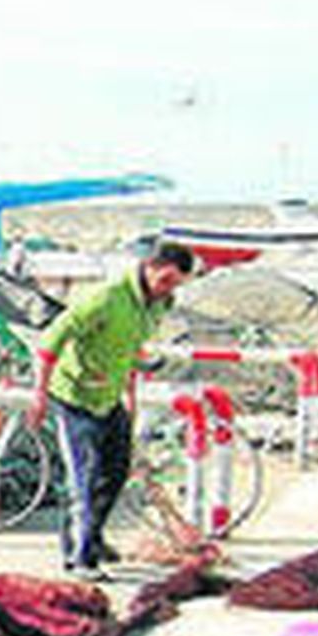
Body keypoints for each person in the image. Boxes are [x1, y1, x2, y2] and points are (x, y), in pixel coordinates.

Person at [27, 240, 198, 579]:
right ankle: (80, 558)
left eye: (175, 284)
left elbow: (130, 348)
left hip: (110, 396)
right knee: (84, 480)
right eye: (165, 280)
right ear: (149, 267)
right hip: (75, 397)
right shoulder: (106, 297)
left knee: (117, 471)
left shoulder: (159, 304)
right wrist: (39, 395)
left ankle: (92, 535)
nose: (168, 289)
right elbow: (50, 342)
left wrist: (131, 397)